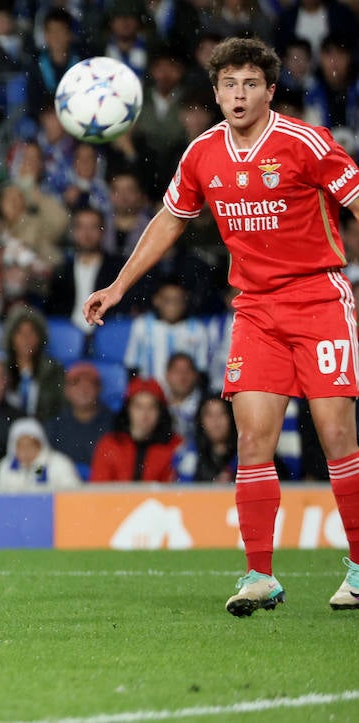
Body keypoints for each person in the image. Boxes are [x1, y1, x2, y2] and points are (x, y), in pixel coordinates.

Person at [84, 37, 359, 616]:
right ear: (215, 93)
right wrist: (117, 286)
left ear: (269, 91)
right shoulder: (202, 154)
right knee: (252, 441)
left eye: (250, 84)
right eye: (229, 85)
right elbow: (169, 221)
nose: (239, 94)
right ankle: (260, 575)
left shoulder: (304, 141)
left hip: (318, 300)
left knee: (336, 435)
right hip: (256, 310)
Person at [88, 378, 182, 484]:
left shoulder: (175, 446)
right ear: (128, 409)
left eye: (151, 407)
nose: (145, 414)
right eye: (138, 406)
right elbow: (99, 489)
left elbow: (176, 491)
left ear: (161, 412)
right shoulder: (109, 444)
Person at [0, 418, 82, 490]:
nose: (26, 451)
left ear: (40, 444)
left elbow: (73, 493)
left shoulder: (58, 464)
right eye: (21, 446)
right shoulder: (5, 467)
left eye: (31, 445)